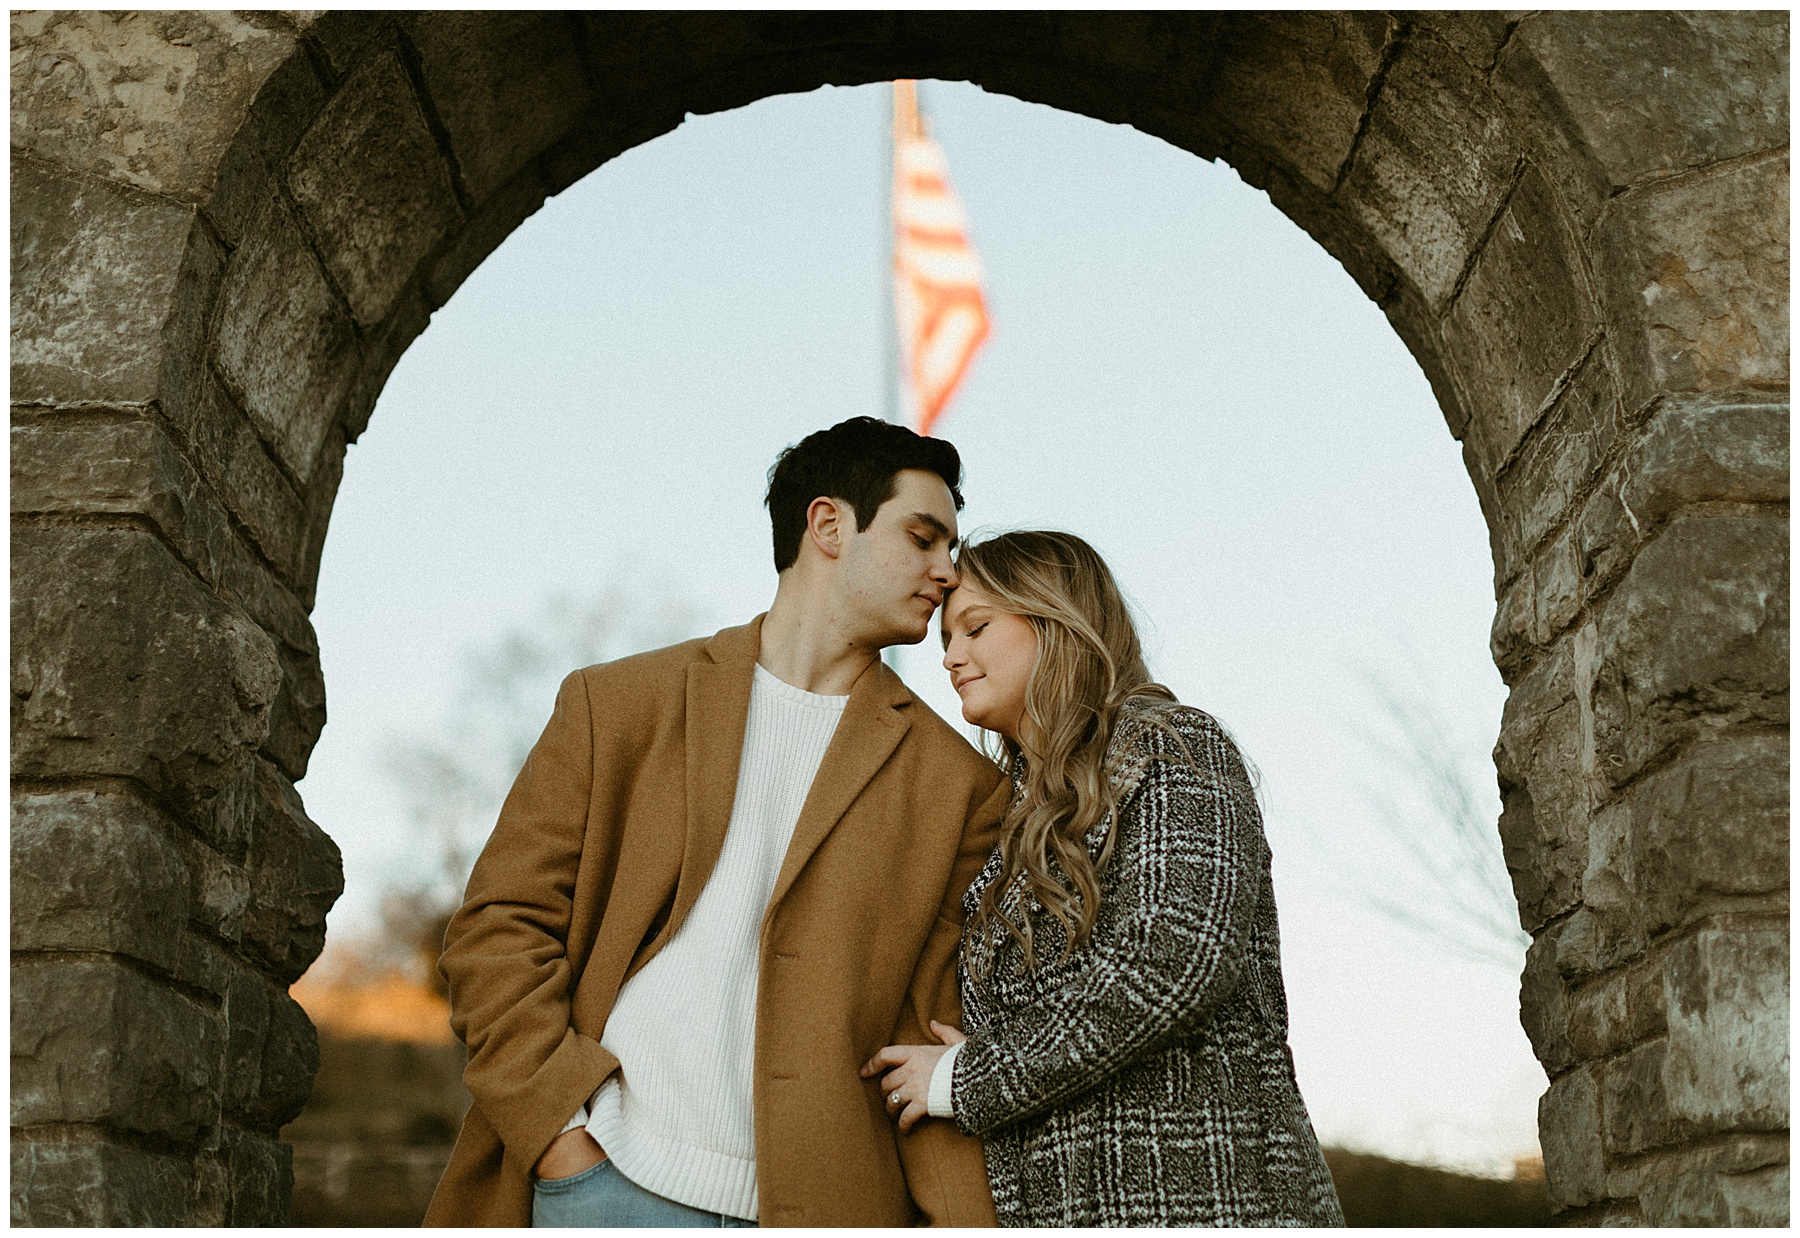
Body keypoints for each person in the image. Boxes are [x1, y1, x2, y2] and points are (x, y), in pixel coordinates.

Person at [424, 417, 1011, 1227]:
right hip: (608, 1185)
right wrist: (563, 1140)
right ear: (829, 524)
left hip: (826, 1207)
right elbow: (498, 929)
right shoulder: (619, 705)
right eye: (923, 538)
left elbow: (933, 1018)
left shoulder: (962, 786)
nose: (948, 572)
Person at [863, 530, 1344, 1227]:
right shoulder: (1008, 824)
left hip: (1204, 1202)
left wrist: (971, 1076)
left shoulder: (1173, 745)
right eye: (945, 636)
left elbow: (1174, 958)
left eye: (976, 627)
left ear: (1056, 620)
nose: (950, 656)